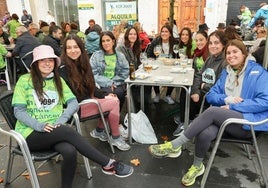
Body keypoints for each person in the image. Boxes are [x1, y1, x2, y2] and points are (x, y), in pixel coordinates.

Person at [148, 39, 268, 187]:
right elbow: (211, 95)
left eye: (235, 52)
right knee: (205, 132)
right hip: (225, 120)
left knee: (211, 112)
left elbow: (265, 101)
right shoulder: (226, 72)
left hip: (247, 124)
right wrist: (227, 98)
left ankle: (176, 144)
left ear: (244, 53)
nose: (231, 56)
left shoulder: (258, 72)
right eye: (228, 53)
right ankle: (198, 166)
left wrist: (233, 107)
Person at [12, 45, 133, 188]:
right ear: (35, 63)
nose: (47, 63)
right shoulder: (25, 80)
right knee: (68, 131)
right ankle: (108, 164)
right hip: (30, 134)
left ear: (54, 62)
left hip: (55, 130)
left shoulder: (58, 81)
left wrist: (62, 119)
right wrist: (40, 125)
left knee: (69, 151)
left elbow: (73, 103)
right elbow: (18, 111)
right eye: (42, 60)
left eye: (50, 60)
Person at [59, 34, 130, 151]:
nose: (73, 50)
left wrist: (104, 95)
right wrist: (95, 98)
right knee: (114, 103)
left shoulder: (82, 62)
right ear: (65, 50)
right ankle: (114, 137)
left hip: (87, 100)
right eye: (69, 48)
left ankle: (100, 131)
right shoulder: (62, 68)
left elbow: (91, 85)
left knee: (112, 98)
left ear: (81, 48)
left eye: (76, 47)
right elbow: (71, 97)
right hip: (75, 107)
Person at [173, 30, 227, 135]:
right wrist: (196, 90)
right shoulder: (210, 58)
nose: (213, 46)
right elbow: (198, 75)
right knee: (188, 90)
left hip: (214, 96)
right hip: (204, 91)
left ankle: (187, 123)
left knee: (187, 92)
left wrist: (203, 86)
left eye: (216, 43)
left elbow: (220, 87)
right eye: (211, 43)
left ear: (223, 44)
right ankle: (186, 121)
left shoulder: (224, 62)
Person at [90, 31, 129, 110]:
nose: (106, 43)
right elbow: (93, 74)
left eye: (108, 40)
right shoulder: (96, 56)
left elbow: (125, 72)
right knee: (107, 93)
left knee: (119, 93)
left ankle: (116, 116)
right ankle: (106, 117)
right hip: (101, 84)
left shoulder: (120, 56)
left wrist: (114, 82)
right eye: (103, 41)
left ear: (113, 41)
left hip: (117, 82)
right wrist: (108, 83)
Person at [147, 24, 179, 105]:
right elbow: (149, 53)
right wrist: (152, 59)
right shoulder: (156, 41)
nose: (164, 33)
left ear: (170, 34)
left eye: (166, 32)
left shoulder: (175, 42)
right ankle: (157, 94)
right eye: (162, 32)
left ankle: (168, 95)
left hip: (170, 65)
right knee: (154, 73)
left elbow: (178, 55)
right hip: (158, 64)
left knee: (174, 75)